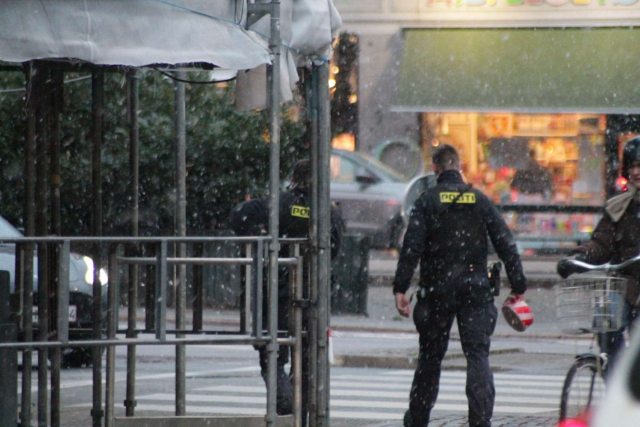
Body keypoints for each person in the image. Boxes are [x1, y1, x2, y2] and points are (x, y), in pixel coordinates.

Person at [393, 144, 527, 427]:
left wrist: (400, 288)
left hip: (436, 290)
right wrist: (518, 284)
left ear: (435, 168)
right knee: (477, 355)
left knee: (430, 358)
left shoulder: (426, 200)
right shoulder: (479, 199)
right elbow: (505, 242)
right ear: (460, 166)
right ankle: (479, 420)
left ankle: (418, 418)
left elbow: (411, 248)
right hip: (475, 287)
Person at [229, 159, 342, 416]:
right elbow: (335, 249)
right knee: (307, 349)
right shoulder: (328, 211)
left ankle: (283, 397)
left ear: (293, 180)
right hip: (312, 291)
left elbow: (237, 216)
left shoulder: (276, 204)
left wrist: (259, 232)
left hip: (276, 288)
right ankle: (298, 401)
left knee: (272, 348)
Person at [557, 136, 640, 374]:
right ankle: (617, 386)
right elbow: (601, 243)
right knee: (605, 324)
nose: (636, 171)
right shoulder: (619, 206)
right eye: (632, 166)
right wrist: (577, 259)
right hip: (625, 287)